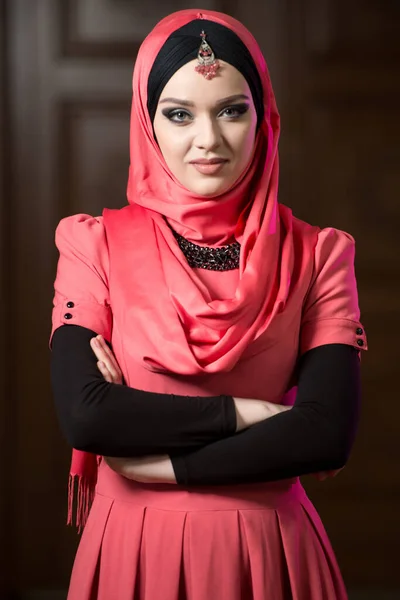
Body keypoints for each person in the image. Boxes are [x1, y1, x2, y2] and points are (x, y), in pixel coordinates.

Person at [50, 8, 368, 600]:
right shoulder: (94, 246)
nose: (209, 140)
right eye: (178, 114)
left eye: (231, 110)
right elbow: (88, 416)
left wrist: (165, 465)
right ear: (147, 124)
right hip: (134, 550)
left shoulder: (318, 254)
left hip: (271, 554)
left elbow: (326, 435)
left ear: (263, 118)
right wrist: (250, 415)